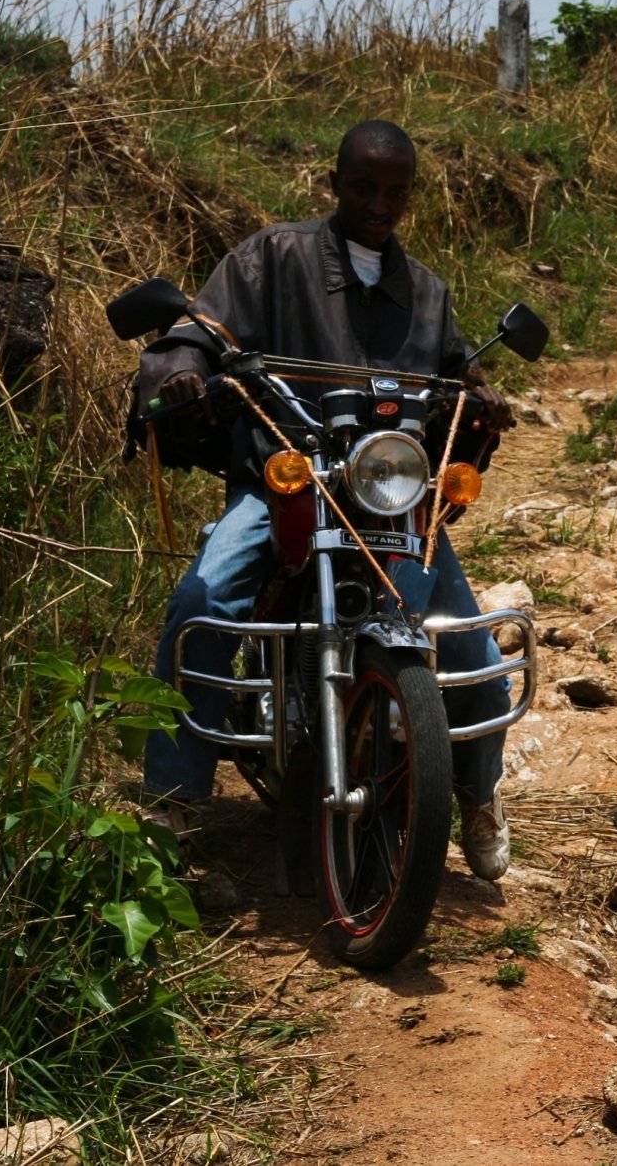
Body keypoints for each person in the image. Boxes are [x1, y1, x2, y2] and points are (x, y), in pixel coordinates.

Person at [134, 119, 517, 880]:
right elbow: (196, 331)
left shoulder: (428, 293)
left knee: (474, 651)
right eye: (366, 187)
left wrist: (481, 396)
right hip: (289, 485)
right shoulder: (269, 258)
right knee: (200, 600)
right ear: (334, 182)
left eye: (396, 191)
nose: (381, 204)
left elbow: (455, 372)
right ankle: (171, 798)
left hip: (391, 499)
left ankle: (475, 794)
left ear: (411, 193)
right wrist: (176, 369)